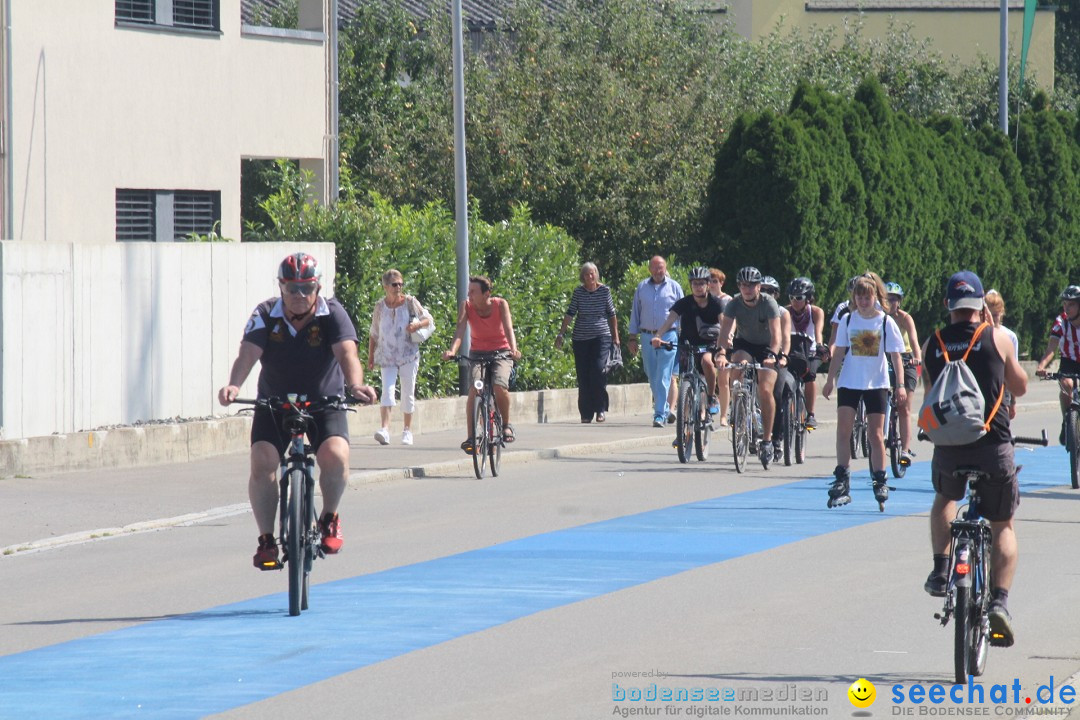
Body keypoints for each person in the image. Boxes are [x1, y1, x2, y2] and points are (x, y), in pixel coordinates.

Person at [218, 252, 378, 569]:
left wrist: (356, 385)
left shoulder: (332, 313)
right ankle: (266, 540)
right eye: (292, 288)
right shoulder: (265, 313)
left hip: (323, 402)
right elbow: (248, 353)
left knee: (336, 456)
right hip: (275, 402)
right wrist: (234, 385)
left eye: (306, 288)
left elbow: (348, 353)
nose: (299, 296)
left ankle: (329, 517)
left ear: (317, 287)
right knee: (262, 461)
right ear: (281, 287)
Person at [921, 270, 1027, 647]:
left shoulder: (931, 344)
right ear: (980, 304)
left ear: (948, 305)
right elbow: (1020, 386)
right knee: (1003, 524)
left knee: (945, 500)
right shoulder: (997, 337)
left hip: (950, 448)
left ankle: (940, 568)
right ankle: (998, 601)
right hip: (993, 444)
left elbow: (931, 393)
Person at [821, 272, 906, 508]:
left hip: (876, 383)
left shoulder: (885, 322)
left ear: (875, 297)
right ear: (854, 298)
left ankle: (880, 478)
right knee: (843, 430)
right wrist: (829, 379)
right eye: (859, 297)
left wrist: (899, 385)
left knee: (875, 435)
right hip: (849, 381)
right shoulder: (848, 320)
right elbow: (839, 352)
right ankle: (842, 477)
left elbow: (895, 356)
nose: (863, 301)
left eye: (867, 297)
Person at [443, 275, 522, 453]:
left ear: (487, 294)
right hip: (477, 354)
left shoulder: (500, 304)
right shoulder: (467, 306)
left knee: (499, 385)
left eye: (473, 291)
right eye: (469, 291)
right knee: (474, 389)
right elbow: (460, 331)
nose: (469, 295)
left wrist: (513, 349)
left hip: (501, 352)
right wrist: (452, 351)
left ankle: (507, 425)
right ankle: (471, 437)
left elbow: (509, 329)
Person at [717, 266, 782, 468]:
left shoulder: (768, 303)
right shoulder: (734, 304)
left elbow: (776, 334)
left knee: (765, 388)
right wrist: (720, 353)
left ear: (758, 286)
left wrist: (772, 355)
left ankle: (767, 439)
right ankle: (739, 407)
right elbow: (725, 331)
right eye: (744, 285)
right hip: (745, 344)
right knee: (737, 366)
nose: (747, 289)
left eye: (751, 285)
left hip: (766, 347)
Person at [368, 269, 432, 446]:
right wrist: (370, 357)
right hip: (387, 356)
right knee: (387, 392)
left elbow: (428, 319)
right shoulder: (379, 307)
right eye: (395, 284)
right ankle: (385, 430)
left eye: (401, 284)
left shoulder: (410, 302)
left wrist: (417, 324)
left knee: (407, 394)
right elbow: (373, 333)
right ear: (385, 286)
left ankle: (407, 430)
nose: (398, 287)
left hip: (408, 356)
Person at [650, 266, 725, 417]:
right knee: (685, 379)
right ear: (690, 285)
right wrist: (658, 335)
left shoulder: (716, 303)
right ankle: (683, 432)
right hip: (688, 345)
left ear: (708, 284)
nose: (698, 287)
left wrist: (723, 347)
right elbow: (669, 320)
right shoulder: (684, 302)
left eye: (701, 283)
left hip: (708, 344)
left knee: (707, 362)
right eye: (695, 284)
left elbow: (724, 325)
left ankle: (711, 397)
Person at [556, 262, 620, 423]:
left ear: (596, 274)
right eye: (586, 274)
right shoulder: (579, 292)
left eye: (592, 273)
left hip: (601, 336)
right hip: (581, 337)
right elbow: (570, 313)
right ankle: (585, 413)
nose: (589, 277)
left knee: (598, 371)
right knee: (583, 375)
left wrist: (616, 337)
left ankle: (600, 409)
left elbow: (612, 315)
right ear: (582, 277)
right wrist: (561, 333)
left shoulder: (605, 291)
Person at [628, 256, 684, 427]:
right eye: (655, 267)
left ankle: (659, 414)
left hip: (669, 336)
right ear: (649, 269)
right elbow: (635, 312)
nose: (658, 271)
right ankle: (665, 407)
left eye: (661, 267)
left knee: (664, 375)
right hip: (647, 336)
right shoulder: (642, 287)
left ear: (665, 268)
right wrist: (632, 336)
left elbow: (683, 313)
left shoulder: (674, 287)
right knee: (652, 375)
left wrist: (685, 336)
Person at [1035, 284, 1080, 446]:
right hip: (1069, 360)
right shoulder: (1061, 322)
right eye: (1065, 304)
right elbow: (1051, 349)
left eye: (1072, 304)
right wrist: (1042, 366)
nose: (1067, 308)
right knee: (1066, 384)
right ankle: (1067, 422)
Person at [884, 282, 922, 466]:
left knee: (904, 406)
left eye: (893, 299)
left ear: (898, 302)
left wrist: (917, 357)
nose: (889, 303)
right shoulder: (879, 318)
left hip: (906, 359)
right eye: (886, 299)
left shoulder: (905, 318)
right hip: (885, 357)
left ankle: (905, 449)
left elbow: (914, 341)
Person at [761, 276, 796, 461]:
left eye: (771, 291)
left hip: (776, 358)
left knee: (777, 392)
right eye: (763, 289)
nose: (766, 294)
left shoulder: (782, 312)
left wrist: (783, 356)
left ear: (777, 294)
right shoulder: (756, 308)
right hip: (759, 355)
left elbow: (785, 338)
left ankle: (776, 438)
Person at [785, 277, 826, 431]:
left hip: (812, 350)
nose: (795, 301)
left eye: (799, 298)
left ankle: (810, 414)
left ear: (808, 298)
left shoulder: (816, 312)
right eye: (791, 297)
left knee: (810, 375)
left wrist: (820, 346)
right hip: (792, 350)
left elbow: (818, 332)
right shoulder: (785, 311)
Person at [984, 289, 1019, 419]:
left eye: (996, 315)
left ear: (1002, 313)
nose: (991, 320)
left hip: (1002, 392)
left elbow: (1013, 371)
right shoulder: (978, 335)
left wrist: (1013, 402)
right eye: (989, 315)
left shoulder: (1010, 336)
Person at [708, 268, 734, 425]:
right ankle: (706, 408)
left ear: (721, 283)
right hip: (708, 341)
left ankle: (724, 415)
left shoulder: (728, 300)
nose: (711, 284)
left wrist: (729, 336)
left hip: (724, 342)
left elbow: (732, 321)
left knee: (723, 380)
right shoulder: (703, 299)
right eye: (709, 281)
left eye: (714, 281)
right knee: (706, 375)